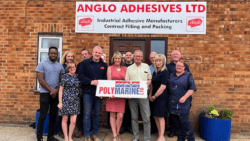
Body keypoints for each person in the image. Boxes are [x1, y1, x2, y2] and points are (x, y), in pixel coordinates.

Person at [78, 46, 108, 141]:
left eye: (99, 53)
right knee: (87, 114)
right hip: (87, 92)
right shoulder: (85, 63)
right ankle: (87, 135)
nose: (97, 54)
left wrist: (103, 91)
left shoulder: (104, 65)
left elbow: (105, 79)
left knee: (97, 114)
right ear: (92, 52)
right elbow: (80, 76)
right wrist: (90, 81)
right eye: (96, 52)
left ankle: (94, 134)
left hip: (98, 94)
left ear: (101, 54)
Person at [36, 46, 65, 141]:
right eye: (51, 53)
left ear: (57, 54)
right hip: (45, 94)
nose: (53, 55)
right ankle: (39, 137)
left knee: (53, 115)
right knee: (43, 115)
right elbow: (41, 80)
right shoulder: (42, 64)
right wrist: (51, 90)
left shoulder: (60, 66)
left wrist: (56, 91)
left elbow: (62, 80)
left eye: (55, 53)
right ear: (48, 54)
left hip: (55, 95)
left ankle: (50, 137)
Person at [125, 50, 151, 141]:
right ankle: (136, 137)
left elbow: (149, 79)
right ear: (133, 57)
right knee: (134, 118)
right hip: (132, 97)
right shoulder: (129, 68)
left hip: (143, 96)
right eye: (136, 56)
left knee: (146, 118)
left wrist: (148, 82)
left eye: (139, 56)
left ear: (142, 57)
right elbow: (126, 82)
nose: (138, 58)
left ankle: (147, 138)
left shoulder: (146, 66)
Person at [168, 60, 196, 141]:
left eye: (181, 66)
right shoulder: (171, 75)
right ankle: (180, 139)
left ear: (184, 67)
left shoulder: (188, 75)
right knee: (177, 124)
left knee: (185, 123)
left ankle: (191, 139)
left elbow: (192, 88)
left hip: (183, 104)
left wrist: (184, 97)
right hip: (172, 103)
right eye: (177, 65)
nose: (179, 67)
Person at [166, 50, 190, 137]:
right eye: (174, 54)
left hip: (182, 94)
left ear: (180, 56)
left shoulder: (185, 66)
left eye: (177, 54)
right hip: (171, 94)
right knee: (172, 114)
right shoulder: (167, 66)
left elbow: (188, 79)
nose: (175, 55)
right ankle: (172, 130)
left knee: (182, 115)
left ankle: (181, 131)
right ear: (171, 56)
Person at [106, 52, 127, 141]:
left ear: (121, 60)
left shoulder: (125, 68)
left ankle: (118, 132)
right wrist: (111, 92)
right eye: (116, 58)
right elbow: (109, 81)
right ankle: (115, 135)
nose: (117, 60)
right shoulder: (110, 68)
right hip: (113, 94)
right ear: (113, 59)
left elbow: (127, 82)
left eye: (119, 58)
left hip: (122, 95)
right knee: (112, 115)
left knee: (120, 116)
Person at [58, 63, 81, 141]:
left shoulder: (78, 76)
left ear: (75, 67)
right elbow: (60, 90)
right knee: (65, 119)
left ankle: (70, 136)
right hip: (66, 100)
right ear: (67, 69)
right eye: (70, 67)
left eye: (73, 67)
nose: (72, 68)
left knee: (73, 121)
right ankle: (66, 137)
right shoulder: (64, 76)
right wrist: (60, 102)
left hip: (75, 100)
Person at [149, 54, 169, 141]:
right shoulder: (155, 72)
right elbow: (152, 85)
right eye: (156, 60)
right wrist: (150, 95)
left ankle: (161, 136)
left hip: (161, 97)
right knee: (155, 116)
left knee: (160, 116)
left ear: (163, 62)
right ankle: (159, 133)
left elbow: (163, 86)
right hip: (153, 96)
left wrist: (155, 96)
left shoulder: (165, 72)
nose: (158, 62)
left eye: (160, 61)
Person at [75, 48, 90, 138]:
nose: (84, 55)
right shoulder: (79, 65)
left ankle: (89, 130)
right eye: (82, 54)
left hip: (89, 91)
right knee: (80, 112)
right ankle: (80, 130)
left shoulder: (92, 64)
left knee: (88, 112)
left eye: (85, 54)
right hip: (80, 92)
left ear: (88, 54)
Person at [120, 51, 133, 134]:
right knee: (123, 108)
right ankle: (123, 126)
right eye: (126, 55)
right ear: (124, 57)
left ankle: (130, 127)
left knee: (131, 109)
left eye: (130, 55)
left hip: (132, 90)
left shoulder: (135, 66)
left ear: (132, 57)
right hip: (122, 90)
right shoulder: (122, 66)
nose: (128, 56)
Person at [148, 52, 158, 134]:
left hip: (159, 93)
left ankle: (159, 129)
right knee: (150, 111)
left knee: (158, 112)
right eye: (151, 57)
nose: (153, 59)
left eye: (154, 57)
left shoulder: (162, 68)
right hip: (150, 92)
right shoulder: (148, 68)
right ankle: (152, 129)